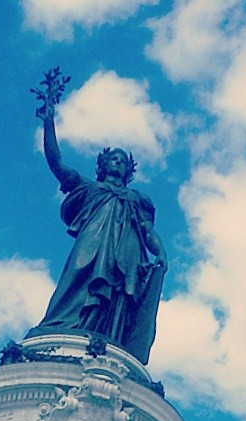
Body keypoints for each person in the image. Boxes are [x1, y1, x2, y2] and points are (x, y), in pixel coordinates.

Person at [26, 87, 168, 365]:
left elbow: (148, 232)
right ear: (102, 165)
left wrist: (161, 253)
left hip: (127, 254)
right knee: (77, 284)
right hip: (93, 245)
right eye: (113, 158)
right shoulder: (89, 188)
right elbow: (56, 163)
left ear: (129, 171)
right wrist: (48, 122)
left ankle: (106, 340)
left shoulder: (138, 199)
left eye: (124, 161)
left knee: (118, 298)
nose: (119, 163)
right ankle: (64, 328)